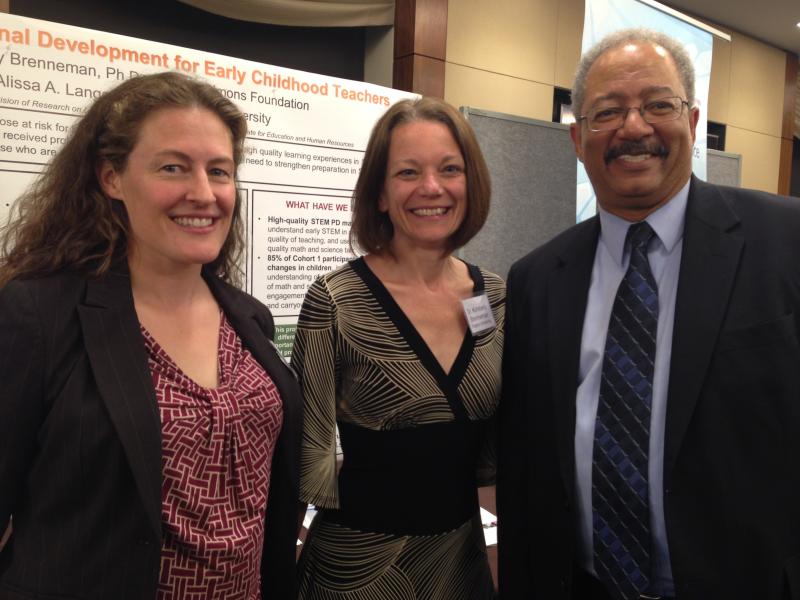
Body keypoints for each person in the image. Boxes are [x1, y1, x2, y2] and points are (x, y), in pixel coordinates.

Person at [498, 27, 800, 600]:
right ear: (578, 138)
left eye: (658, 105)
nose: (634, 128)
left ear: (691, 121)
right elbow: (526, 467)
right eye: (607, 112)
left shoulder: (786, 242)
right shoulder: (537, 279)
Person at [0, 72, 302, 599]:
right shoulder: (41, 314)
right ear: (111, 178)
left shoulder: (249, 319)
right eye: (172, 167)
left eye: (220, 171)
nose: (204, 194)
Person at [292, 96, 504, 599]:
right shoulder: (336, 300)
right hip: (359, 571)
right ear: (381, 195)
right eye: (408, 172)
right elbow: (309, 457)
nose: (431, 188)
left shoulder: (496, 297)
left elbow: (501, 453)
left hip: (462, 566)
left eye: (449, 169)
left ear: (470, 184)